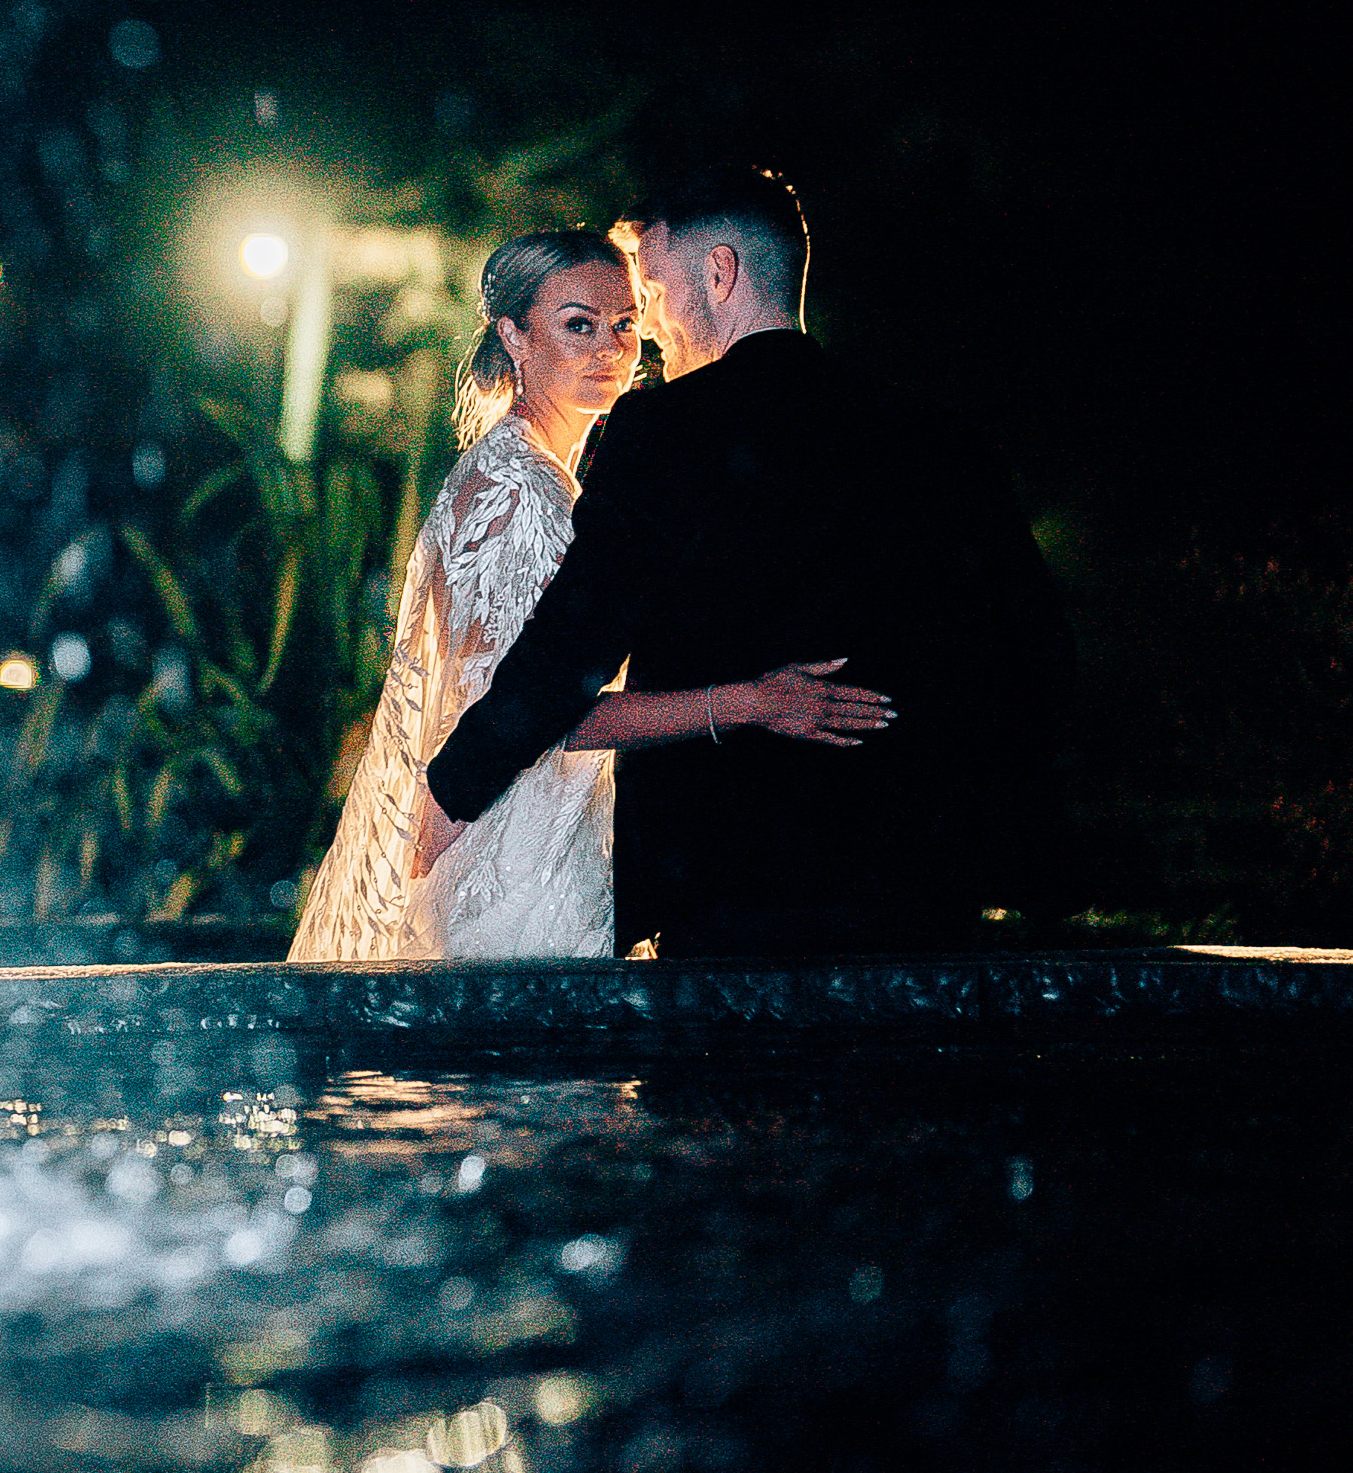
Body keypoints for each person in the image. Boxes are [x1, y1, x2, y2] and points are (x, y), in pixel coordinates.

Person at [419, 167, 1070, 955]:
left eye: (654, 293)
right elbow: (1032, 647)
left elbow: (570, 648)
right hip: (922, 879)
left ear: (720, 273)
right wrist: (1019, 858)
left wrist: (452, 791)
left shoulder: (667, 430)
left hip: (732, 882)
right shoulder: (938, 436)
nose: (650, 330)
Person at [288, 228, 896, 962]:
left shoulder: (545, 480)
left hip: (550, 842)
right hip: (515, 872)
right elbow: (537, 715)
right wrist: (755, 701)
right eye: (579, 325)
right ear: (514, 336)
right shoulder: (517, 493)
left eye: (625, 325)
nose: (610, 349)